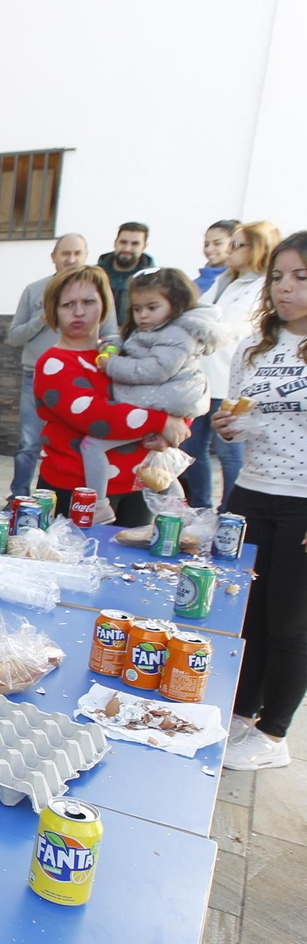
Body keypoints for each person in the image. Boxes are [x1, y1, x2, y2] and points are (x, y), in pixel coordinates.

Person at [215, 230, 307, 771]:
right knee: (247, 611)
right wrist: (229, 427)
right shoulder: (255, 349)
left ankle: (274, 734)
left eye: (300, 276)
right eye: (277, 276)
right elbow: (241, 422)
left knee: (290, 621)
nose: (285, 288)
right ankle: (243, 711)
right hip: (252, 492)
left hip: (302, 500)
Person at [32, 265, 190, 525]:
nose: (79, 311)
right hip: (75, 488)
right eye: (68, 304)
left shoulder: (127, 352)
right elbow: (95, 416)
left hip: (139, 484)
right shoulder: (53, 362)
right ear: (53, 311)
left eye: (89, 301)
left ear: (104, 305)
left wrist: (175, 428)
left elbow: (175, 390)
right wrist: (160, 424)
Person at [82, 268, 220, 522]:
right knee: (158, 462)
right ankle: (178, 508)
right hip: (161, 404)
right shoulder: (158, 328)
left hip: (161, 402)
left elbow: (153, 369)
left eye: (151, 307)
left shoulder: (178, 334)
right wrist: (111, 345)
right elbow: (132, 343)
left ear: (175, 305)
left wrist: (111, 365)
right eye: (137, 309)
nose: (142, 315)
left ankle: (98, 504)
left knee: (92, 445)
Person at [6, 233, 107, 500]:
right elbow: (14, 336)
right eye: (65, 253)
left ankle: (86, 497)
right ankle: (18, 497)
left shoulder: (98, 291)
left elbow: (111, 335)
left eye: (77, 253)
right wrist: (43, 318)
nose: (71, 259)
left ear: (86, 257)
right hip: (36, 376)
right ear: (54, 258)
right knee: (29, 443)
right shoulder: (34, 290)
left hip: (84, 377)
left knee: (82, 443)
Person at [188, 220, 278, 508]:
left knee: (229, 452)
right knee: (192, 447)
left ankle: (231, 512)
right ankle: (201, 507)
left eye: (238, 245)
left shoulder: (262, 286)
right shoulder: (225, 279)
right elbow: (197, 313)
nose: (230, 250)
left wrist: (206, 325)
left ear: (257, 248)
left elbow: (233, 328)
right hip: (202, 376)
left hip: (230, 379)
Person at [98, 222, 153, 328]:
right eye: (123, 242)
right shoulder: (95, 276)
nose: (127, 248)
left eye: (135, 244)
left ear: (144, 246)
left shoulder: (153, 281)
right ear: (115, 243)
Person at [195, 219, 241, 295]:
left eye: (217, 243)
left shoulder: (239, 282)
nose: (209, 249)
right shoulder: (196, 284)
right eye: (206, 244)